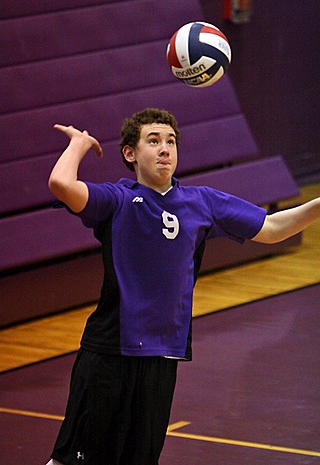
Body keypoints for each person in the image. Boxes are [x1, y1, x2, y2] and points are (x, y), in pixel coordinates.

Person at [46, 108, 320, 465]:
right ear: (130, 154)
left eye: (171, 141)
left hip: (163, 353)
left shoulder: (201, 202)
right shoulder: (118, 200)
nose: (164, 149)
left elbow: (270, 229)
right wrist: (79, 145)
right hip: (110, 351)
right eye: (153, 140)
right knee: (74, 459)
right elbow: (62, 185)